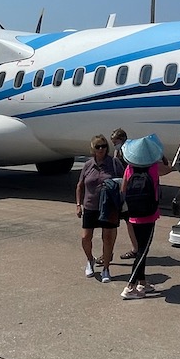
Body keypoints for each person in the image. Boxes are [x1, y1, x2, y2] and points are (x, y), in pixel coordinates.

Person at [120, 133, 164, 299]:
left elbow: (123, 190)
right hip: (149, 215)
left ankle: (142, 283)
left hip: (133, 214)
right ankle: (130, 287)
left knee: (140, 249)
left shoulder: (129, 168)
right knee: (143, 251)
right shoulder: (153, 168)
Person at [74, 134, 119, 283]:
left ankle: (106, 268)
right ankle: (90, 260)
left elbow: (124, 181)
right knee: (85, 237)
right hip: (90, 206)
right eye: (98, 147)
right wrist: (78, 204)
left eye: (104, 146)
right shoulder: (88, 165)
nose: (101, 149)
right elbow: (80, 185)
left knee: (108, 238)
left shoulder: (113, 163)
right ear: (93, 149)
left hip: (109, 207)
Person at [110, 128, 138, 260]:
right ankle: (135, 248)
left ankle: (135, 249)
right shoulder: (119, 151)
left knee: (128, 221)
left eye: (116, 142)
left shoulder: (127, 152)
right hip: (121, 186)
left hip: (125, 189)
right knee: (127, 221)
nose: (114, 145)